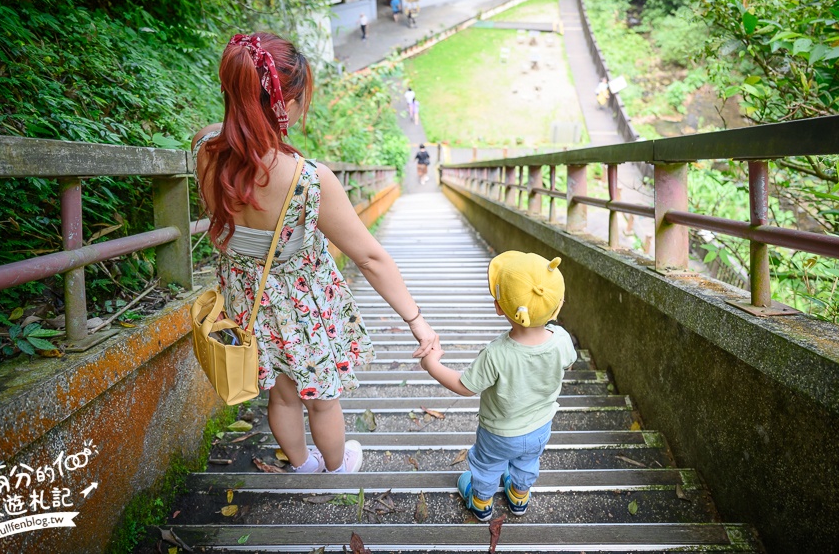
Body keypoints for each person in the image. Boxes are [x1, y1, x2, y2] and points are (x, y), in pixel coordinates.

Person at [192, 33, 439, 475]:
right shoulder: (308, 180)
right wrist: (416, 321)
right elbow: (370, 258)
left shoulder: (203, 150)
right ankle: (337, 468)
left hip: (248, 305)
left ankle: (301, 463)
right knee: (323, 401)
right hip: (304, 309)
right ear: (285, 104)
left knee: (282, 394)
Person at [420, 251, 576, 521]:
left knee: (486, 465)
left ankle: (481, 502)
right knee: (527, 462)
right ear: (557, 305)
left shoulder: (496, 354)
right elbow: (567, 364)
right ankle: (518, 496)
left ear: (499, 307)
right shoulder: (561, 340)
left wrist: (432, 365)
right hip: (540, 427)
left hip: (499, 434)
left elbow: (465, 386)